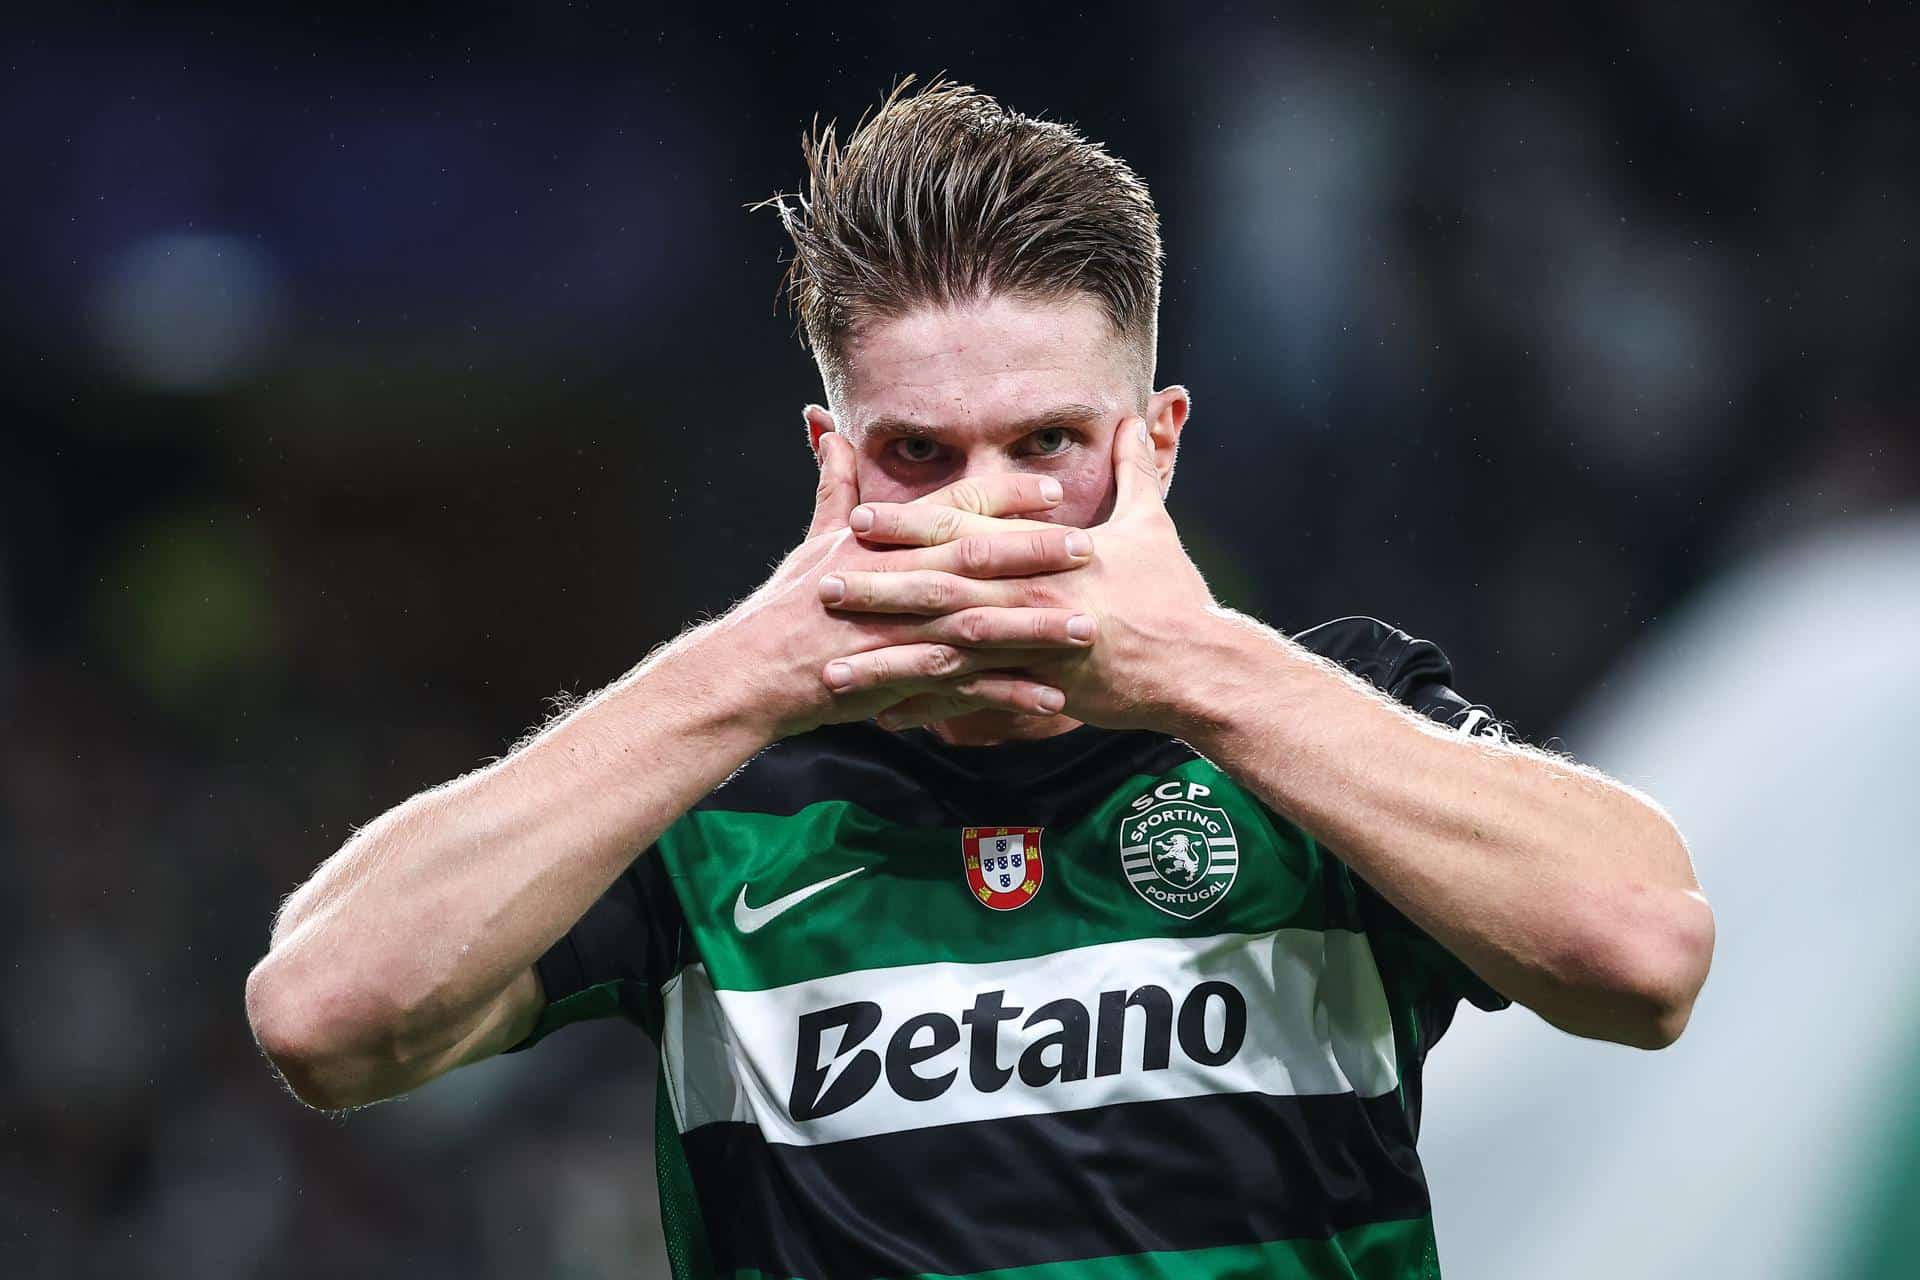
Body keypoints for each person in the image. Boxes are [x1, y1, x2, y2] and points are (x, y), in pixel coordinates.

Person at [244, 79, 1715, 1279]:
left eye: (1047, 446)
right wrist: (750, 672)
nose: (987, 511)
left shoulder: (1321, 726)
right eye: (920, 455)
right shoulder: (716, 793)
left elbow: (1646, 954)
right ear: (833, 467)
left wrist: (1204, 674)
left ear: (1159, 444)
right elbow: (323, 1015)